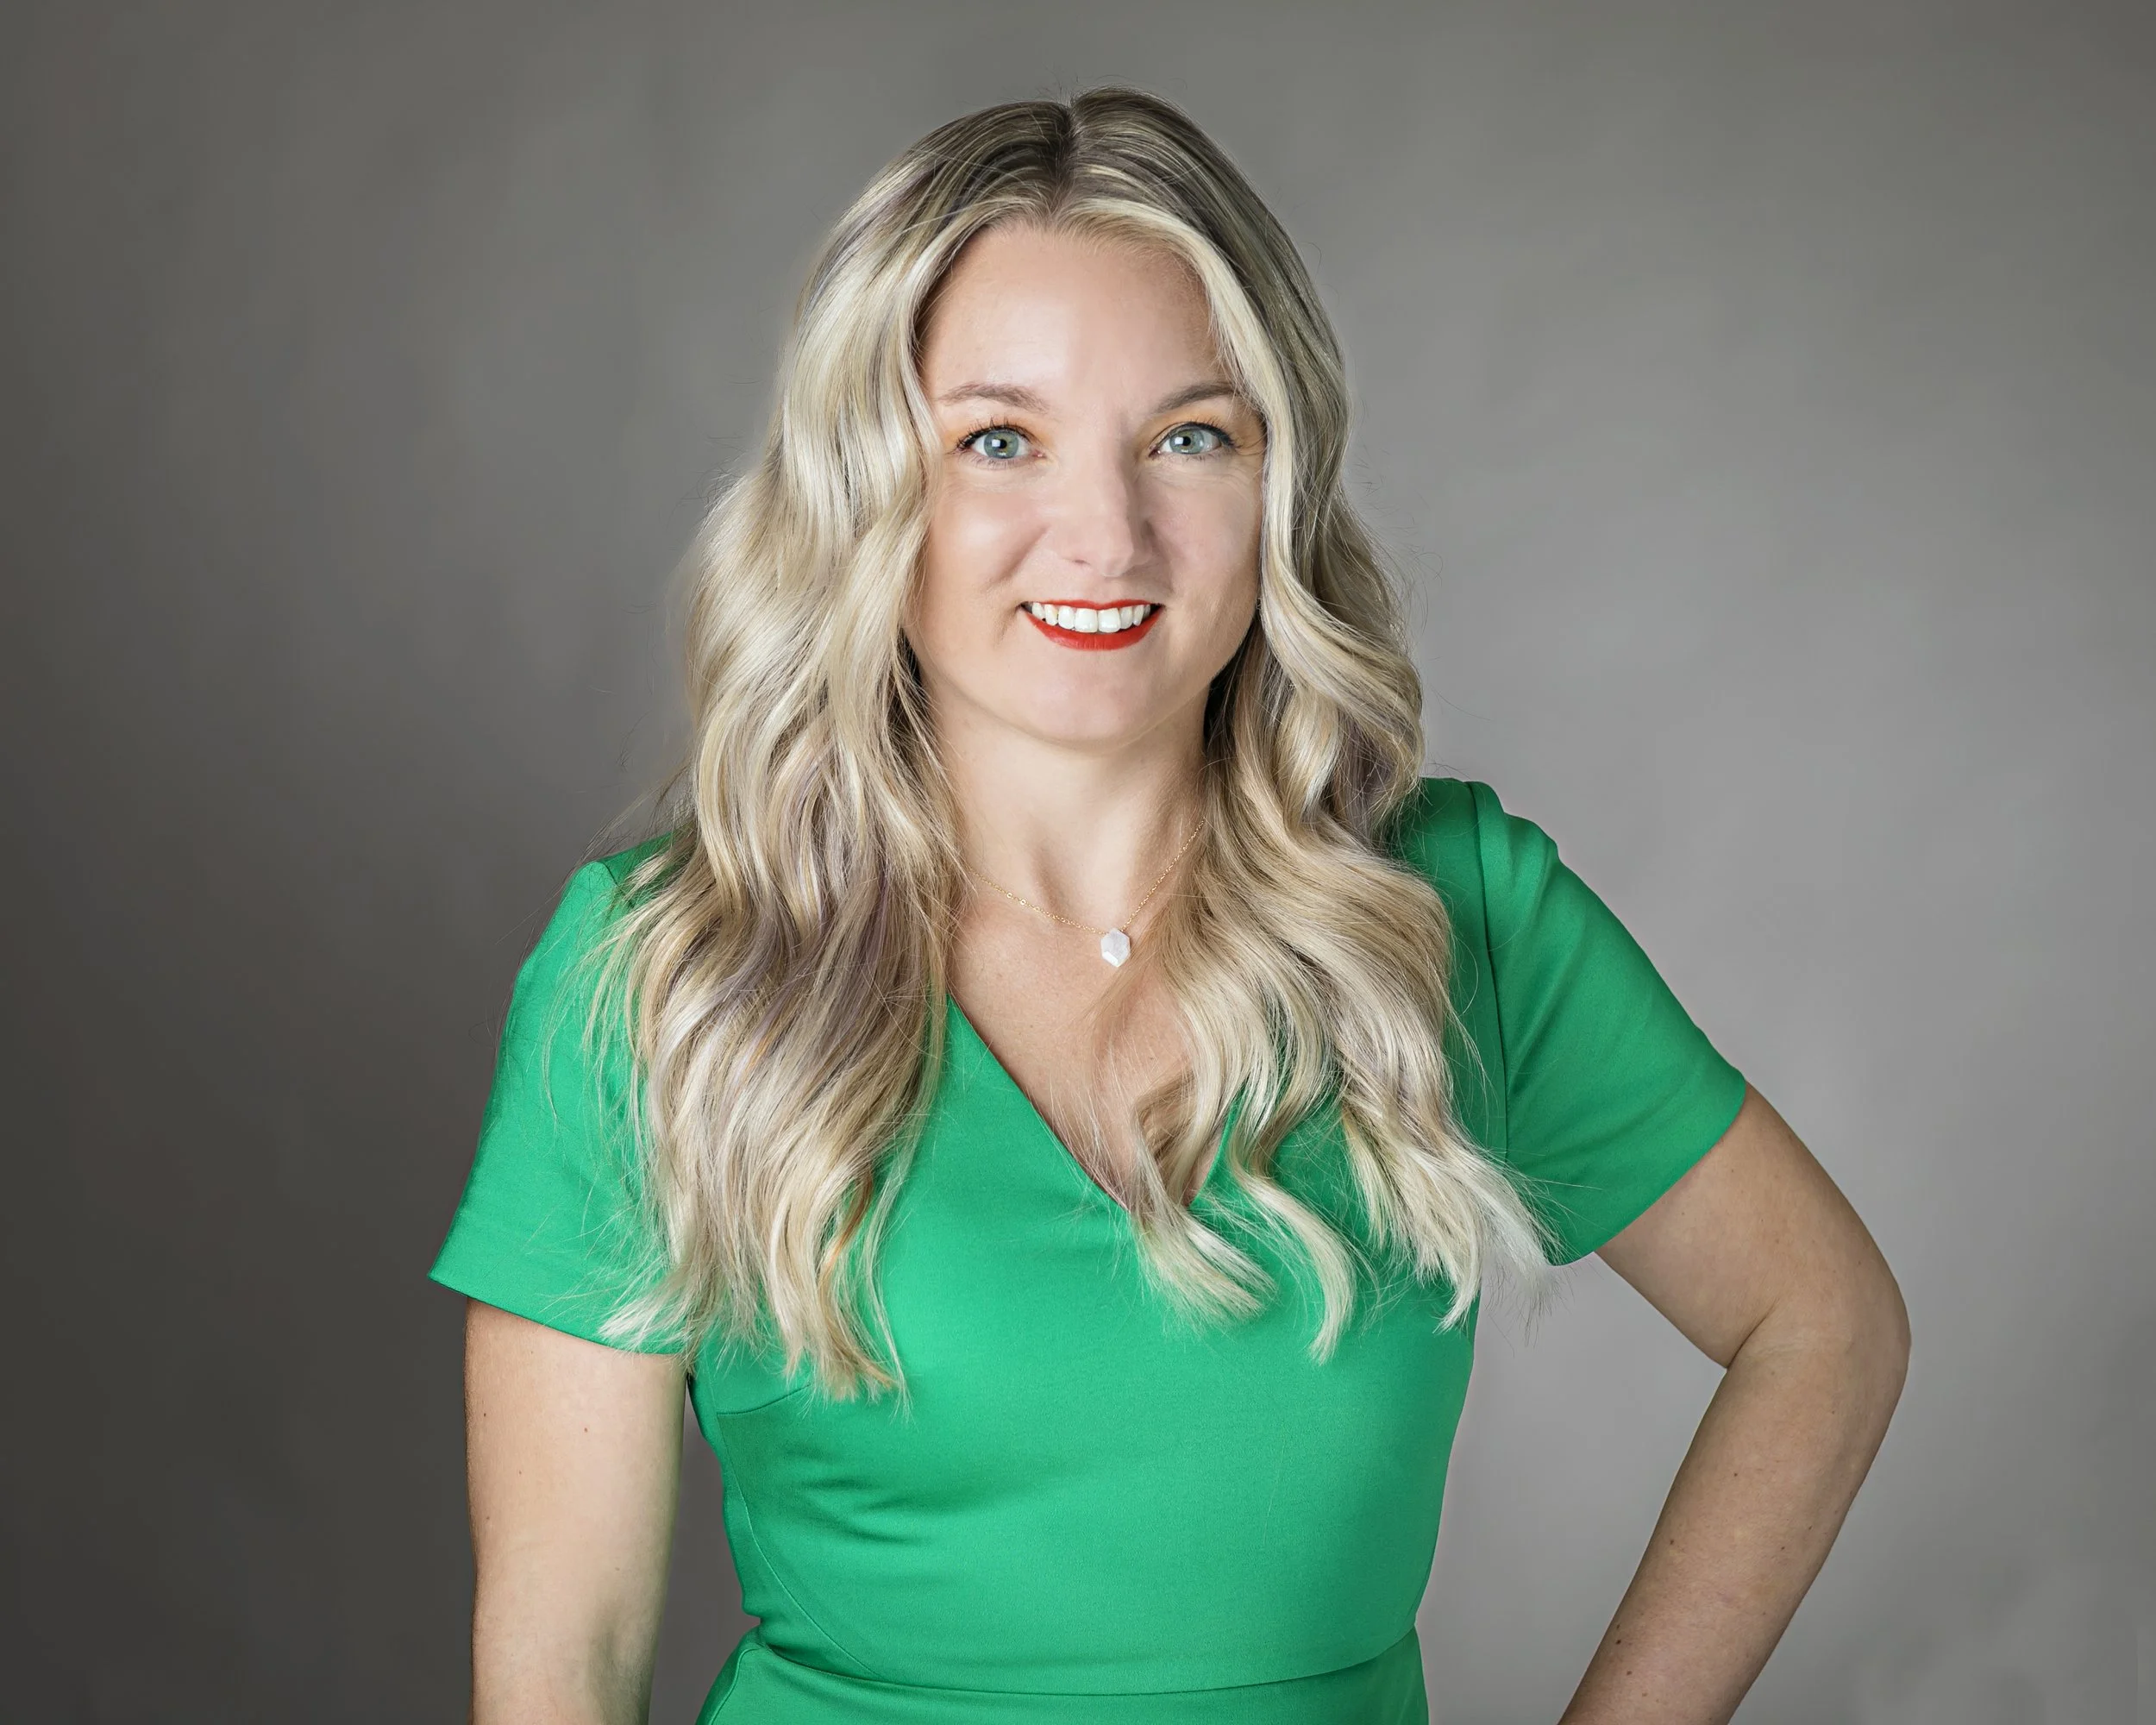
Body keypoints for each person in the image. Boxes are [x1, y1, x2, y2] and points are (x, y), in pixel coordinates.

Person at [429, 87, 1908, 1725]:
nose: (1107, 532)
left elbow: (1821, 1320)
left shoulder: (1450, 920)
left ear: (1276, 483)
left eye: (1188, 436)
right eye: (1001, 440)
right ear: (870, 488)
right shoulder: (661, 978)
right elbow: (563, 1662)